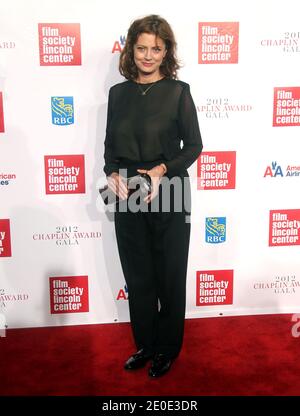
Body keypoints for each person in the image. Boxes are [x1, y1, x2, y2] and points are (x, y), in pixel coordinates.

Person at [103, 14, 203, 378]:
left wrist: (162, 170)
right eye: (141, 48)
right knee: (138, 273)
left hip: (169, 187)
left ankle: (167, 348)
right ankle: (145, 343)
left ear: (166, 52)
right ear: (131, 49)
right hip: (127, 191)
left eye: (155, 49)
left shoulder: (179, 91)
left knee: (170, 273)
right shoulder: (118, 93)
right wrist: (110, 172)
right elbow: (109, 146)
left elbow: (194, 145)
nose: (147, 56)